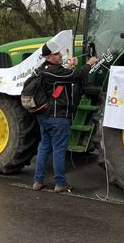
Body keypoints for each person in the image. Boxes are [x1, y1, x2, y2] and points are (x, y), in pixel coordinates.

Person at [32, 40, 99, 193]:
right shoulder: (55, 72)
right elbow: (78, 75)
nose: (60, 55)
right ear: (48, 57)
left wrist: (68, 66)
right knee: (59, 150)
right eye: (57, 54)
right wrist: (89, 63)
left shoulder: (44, 69)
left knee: (44, 147)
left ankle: (37, 181)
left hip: (44, 116)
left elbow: (62, 77)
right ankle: (60, 183)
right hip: (58, 117)